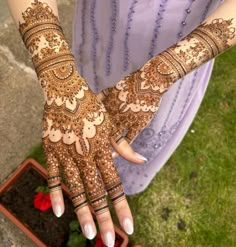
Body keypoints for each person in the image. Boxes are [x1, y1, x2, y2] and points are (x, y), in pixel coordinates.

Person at [7, 0, 236, 246]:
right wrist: (58, 76)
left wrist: (162, 72)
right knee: (85, 127)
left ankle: (125, 180)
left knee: (142, 137)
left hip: (186, 45)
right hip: (101, 25)